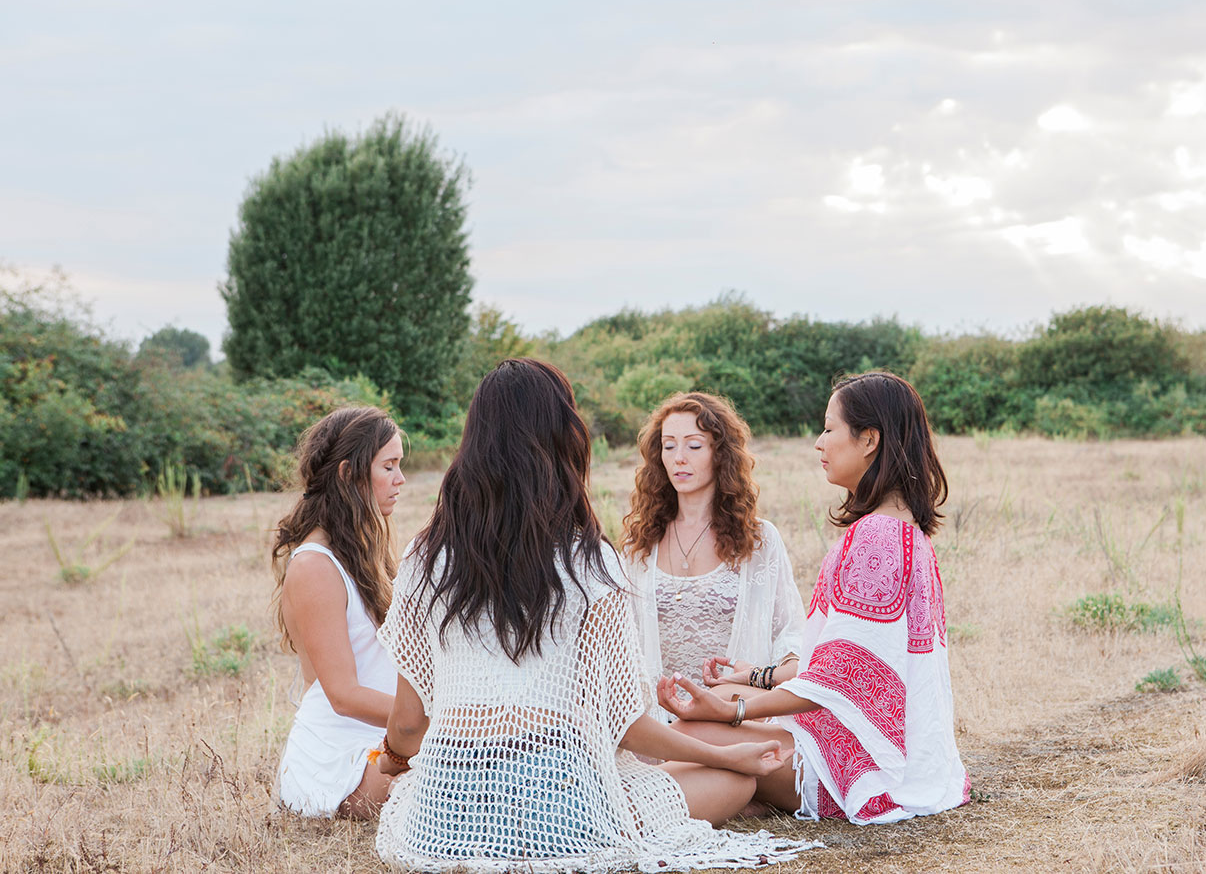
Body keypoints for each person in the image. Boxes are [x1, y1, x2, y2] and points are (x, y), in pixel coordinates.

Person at [372, 359, 816, 871]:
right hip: (565, 810)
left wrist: (395, 762)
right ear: (565, 440)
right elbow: (626, 726)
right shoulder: (591, 561)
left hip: (442, 820)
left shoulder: (424, 557)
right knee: (735, 781)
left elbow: (407, 726)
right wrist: (726, 756)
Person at [657, 371, 970, 824]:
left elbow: (837, 679)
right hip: (883, 747)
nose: (819, 444)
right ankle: (736, 795)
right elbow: (840, 661)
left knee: (696, 725)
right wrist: (757, 677)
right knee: (721, 694)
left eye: (828, 428)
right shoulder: (900, 527)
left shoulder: (878, 538)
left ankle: (628, 808)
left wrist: (735, 709)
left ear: (868, 439)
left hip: (865, 766)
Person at [621, 392, 805, 719]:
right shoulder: (639, 546)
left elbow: (791, 636)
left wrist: (759, 678)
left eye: (693, 446)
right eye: (668, 445)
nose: (679, 457)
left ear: (720, 454)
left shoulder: (760, 541)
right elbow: (621, 648)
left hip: (734, 717)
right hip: (657, 724)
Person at [271, 405, 407, 819]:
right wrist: (433, 717)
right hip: (338, 758)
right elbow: (342, 696)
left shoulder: (361, 552)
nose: (400, 479)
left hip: (390, 737)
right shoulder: (314, 565)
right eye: (389, 466)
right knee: (463, 790)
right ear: (349, 473)